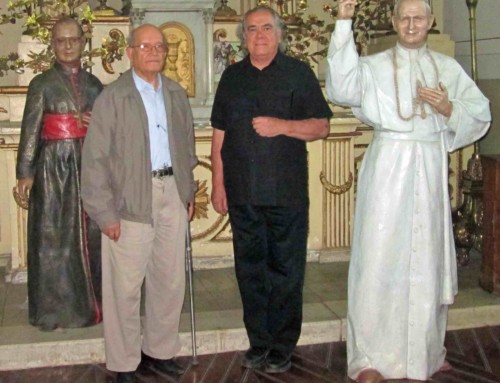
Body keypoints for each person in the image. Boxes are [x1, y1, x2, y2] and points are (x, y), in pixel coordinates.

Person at [325, 0, 491, 382]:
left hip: (430, 167)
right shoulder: (376, 65)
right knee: (378, 260)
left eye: (419, 17)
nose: (412, 24)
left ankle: (425, 353)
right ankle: (369, 358)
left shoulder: (448, 68)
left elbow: (479, 113)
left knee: (425, 258)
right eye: (405, 17)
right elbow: (343, 85)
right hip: (388, 166)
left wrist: (449, 108)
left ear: (430, 22)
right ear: (394, 21)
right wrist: (344, 22)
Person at [210, 5, 332, 374]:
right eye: (251, 29)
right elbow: (219, 134)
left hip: (286, 193)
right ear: (242, 37)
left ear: (279, 34)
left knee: (285, 271)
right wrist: (218, 183)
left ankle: (282, 344)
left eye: (266, 28)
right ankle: (258, 341)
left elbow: (321, 127)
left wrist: (282, 126)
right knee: (249, 270)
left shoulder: (299, 73)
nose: (259, 35)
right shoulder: (231, 77)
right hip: (243, 191)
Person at [81, 24, 197, 383]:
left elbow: (187, 147)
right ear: (130, 53)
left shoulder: (176, 94)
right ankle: (123, 361)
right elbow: (95, 158)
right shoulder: (113, 97)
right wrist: (104, 212)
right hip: (130, 199)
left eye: (159, 46)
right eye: (145, 46)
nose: (153, 51)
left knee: (168, 281)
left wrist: (187, 191)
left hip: (171, 194)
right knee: (124, 288)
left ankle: (160, 351)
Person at [15, 16, 103, 332]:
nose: (67, 46)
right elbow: (30, 131)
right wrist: (25, 173)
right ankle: (51, 311)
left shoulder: (95, 85)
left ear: (82, 42)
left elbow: (108, 130)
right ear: (53, 45)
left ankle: (88, 307)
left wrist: (99, 126)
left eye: (73, 40)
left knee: (90, 237)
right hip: (52, 168)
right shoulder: (41, 84)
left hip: (88, 166)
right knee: (51, 238)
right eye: (60, 41)